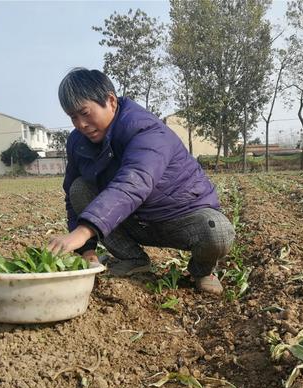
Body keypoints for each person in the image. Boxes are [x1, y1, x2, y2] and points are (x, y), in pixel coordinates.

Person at [48, 68, 235, 295]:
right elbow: (72, 197)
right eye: (73, 117)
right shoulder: (78, 142)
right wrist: (87, 251)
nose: (80, 124)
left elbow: (134, 182)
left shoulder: (145, 129)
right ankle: (134, 259)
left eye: (85, 113)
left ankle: (203, 271)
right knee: (79, 189)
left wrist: (83, 232)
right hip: (133, 220)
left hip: (179, 217)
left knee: (218, 231)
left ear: (111, 101)